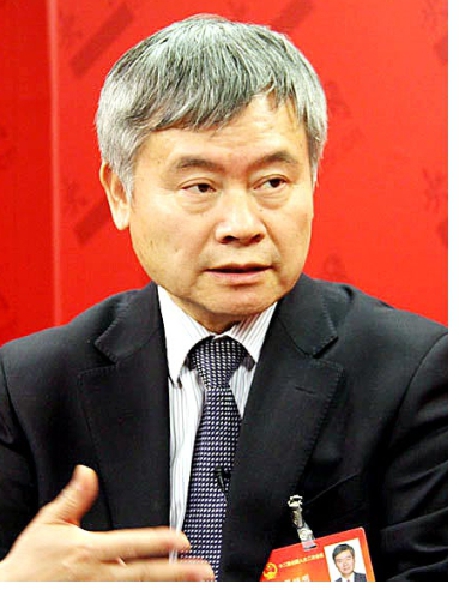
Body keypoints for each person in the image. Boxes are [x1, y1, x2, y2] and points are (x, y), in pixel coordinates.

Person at [0, 13, 447, 583]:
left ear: (313, 180)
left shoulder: (414, 375)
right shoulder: (29, 387)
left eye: (272, 183)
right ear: (119, 194)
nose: (242, 225)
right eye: (201, 186)